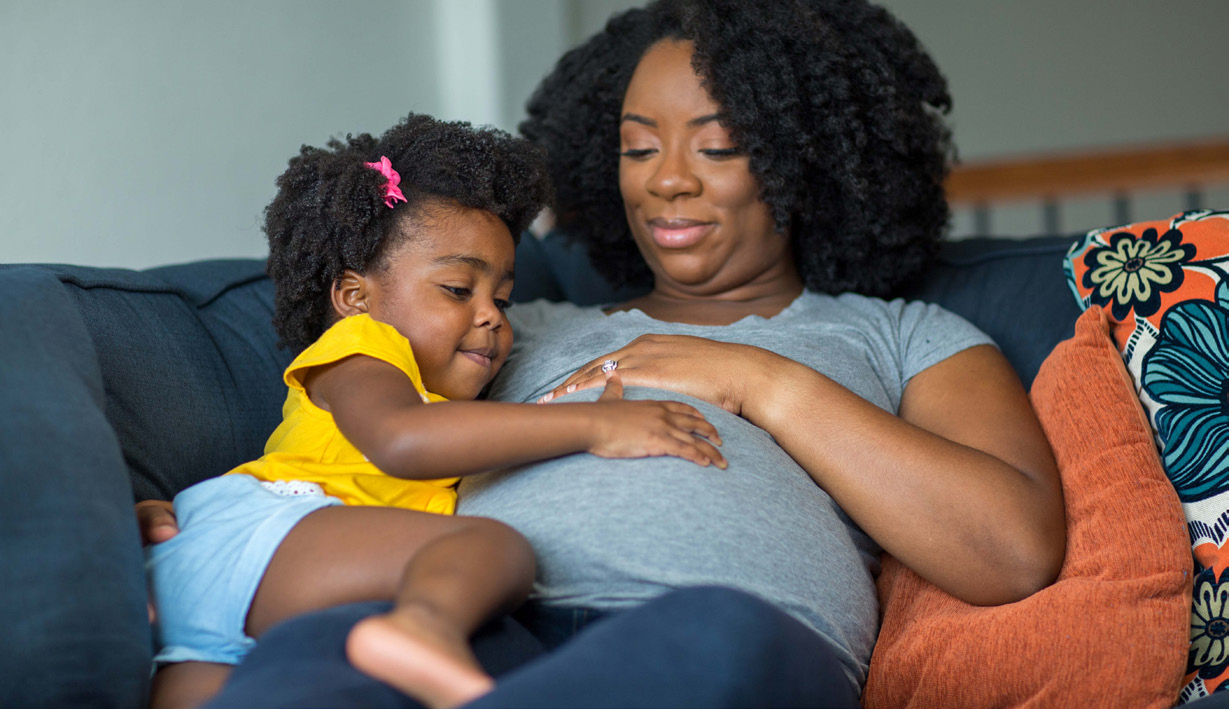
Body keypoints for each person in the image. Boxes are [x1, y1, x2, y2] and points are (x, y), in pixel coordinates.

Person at [139, 1, 1067, 705]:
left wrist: (757, 379)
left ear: (805, 160)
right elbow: (358, 442)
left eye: (720, 147)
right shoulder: (501, 323)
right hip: (475, 622)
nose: (666, 179)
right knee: (322, 650)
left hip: (725, 636)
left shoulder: (902, 336)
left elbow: (1010, 552)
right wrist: (204, 519)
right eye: (636, 147)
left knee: (716, 635)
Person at [140, 113, 728, 709]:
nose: (493, 316)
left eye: (502, 297)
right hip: (262, 534)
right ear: (354, 298)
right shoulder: (363, 349)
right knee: (489, 549)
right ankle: (424, 626)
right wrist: (596, 424)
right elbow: (403, 440)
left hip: (225, 604)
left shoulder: (436, 392)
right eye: (457, 290)